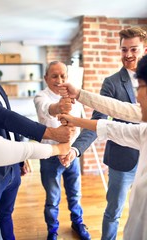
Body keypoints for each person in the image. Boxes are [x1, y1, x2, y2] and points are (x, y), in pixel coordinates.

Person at [59, 27, 147, 240]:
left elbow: (130, 114)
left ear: (144, 49)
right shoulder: (112, 82)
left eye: (133, 49)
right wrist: (75, 149)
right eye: (124, 49)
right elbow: (104, 121)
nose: (128, 55)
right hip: (122, 161)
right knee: (114, 211)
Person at [0, 28, 75, 240]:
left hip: (12, 169)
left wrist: (22, 157)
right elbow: (4, 116)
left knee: (6, 215)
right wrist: (53, 132)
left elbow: (7, 118)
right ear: (46, 78)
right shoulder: (41, 97)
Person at [34, 61, 91, 240]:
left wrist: (73, 148)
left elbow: (82, 124)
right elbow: (47, 110)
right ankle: (52, 230)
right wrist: (59, 107)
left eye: (63, 76)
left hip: (71, 154)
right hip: (50, 155)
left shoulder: (75, 95)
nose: (59, 80)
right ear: (46, 78)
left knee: (75, 193)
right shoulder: (40, 96)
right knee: (53, 198)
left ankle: (77, 222)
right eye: (54, 76)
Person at [0, 130, 70, 240]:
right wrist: (57, 148)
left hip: (13, 169)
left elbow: (12, 130)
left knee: (6, 213)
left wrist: (21, 162)